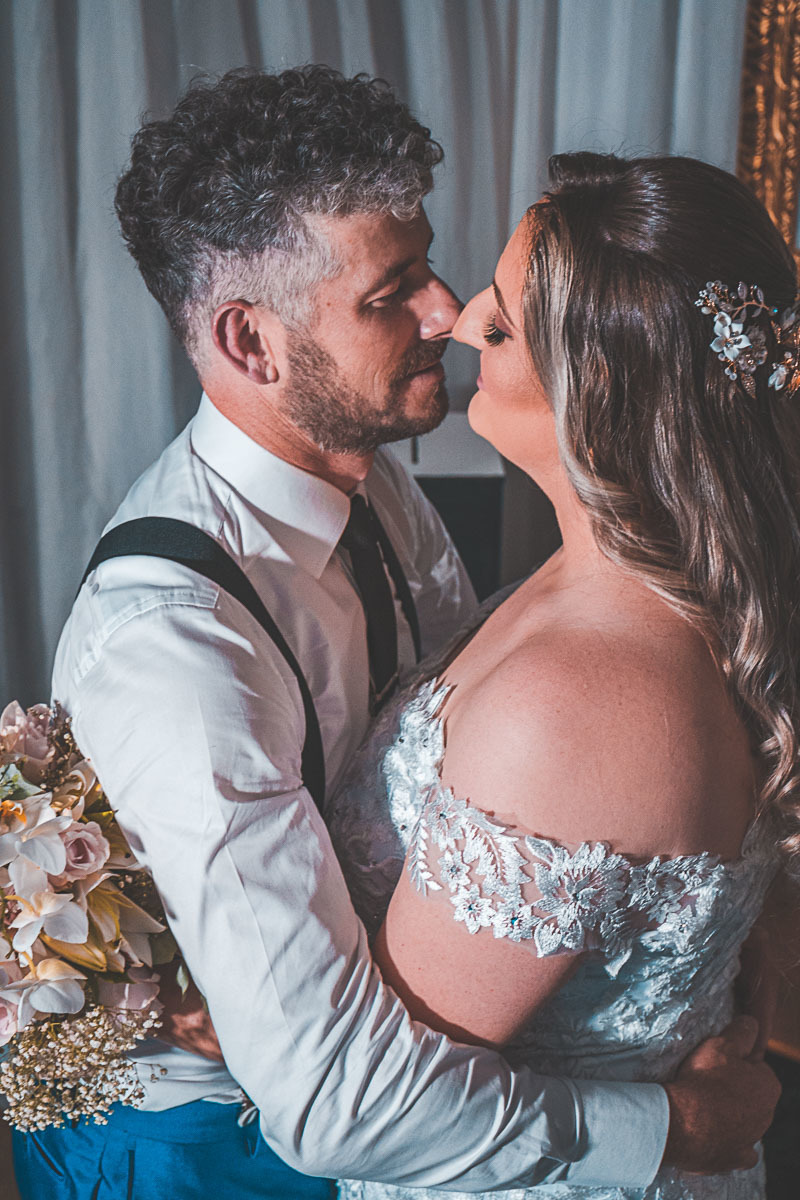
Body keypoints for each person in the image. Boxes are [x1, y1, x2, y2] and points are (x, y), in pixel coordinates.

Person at [17, 69, 777, 1199]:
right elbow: (332, 1094)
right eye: (392, 293)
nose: (448, 313)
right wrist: (670, 1125)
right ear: (250, 341)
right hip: (199, 1145)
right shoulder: (173, 646)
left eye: (437, 270)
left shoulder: (373, 487)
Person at [326, 150, 800, 1200]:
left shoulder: (577, 701)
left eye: (496, 327)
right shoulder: (632, 575)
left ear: (599, 394)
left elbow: (383, 1097)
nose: (450, 326)